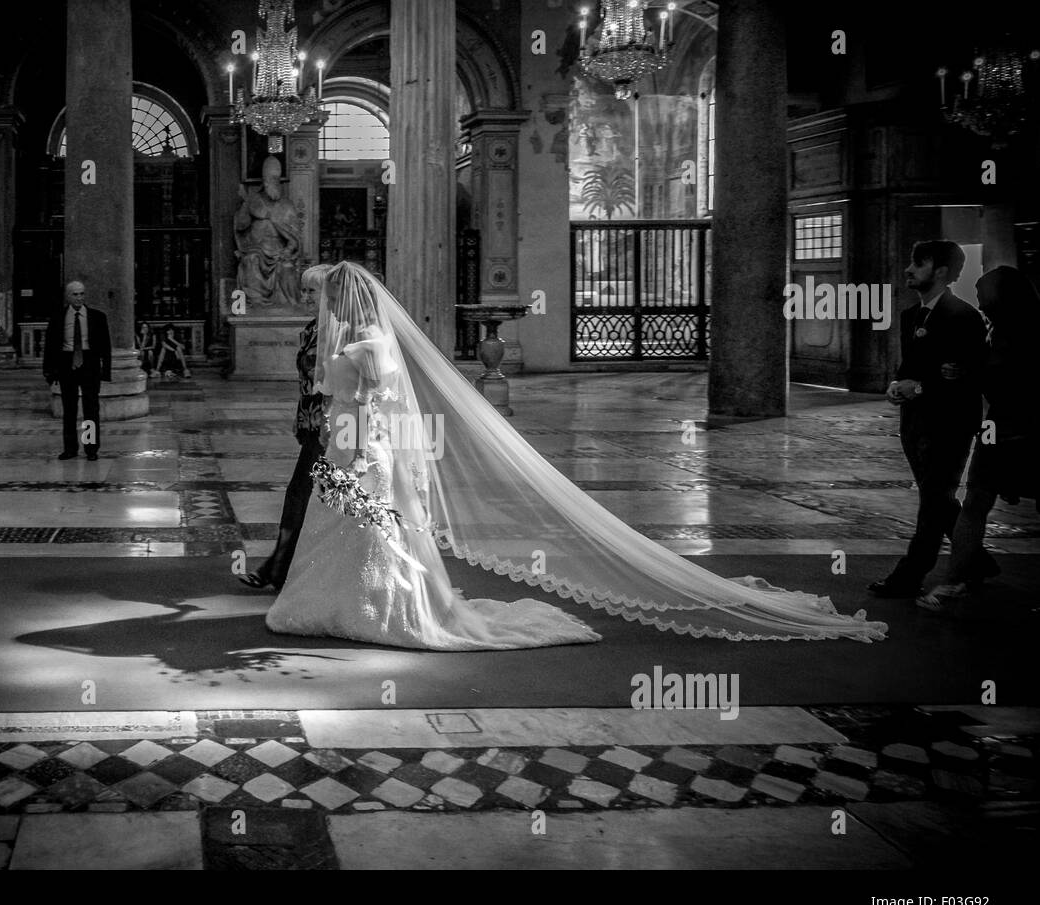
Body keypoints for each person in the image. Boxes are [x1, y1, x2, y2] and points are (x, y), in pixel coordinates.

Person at [264, 262, 886, 650]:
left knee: (369, 535)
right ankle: (354, 605)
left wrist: (349, 465)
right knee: (359, 534)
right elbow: (363, 411)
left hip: (361, 457)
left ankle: (379, 610)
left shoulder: (364, 348)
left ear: (341, 302)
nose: (318, 309)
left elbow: (369, 415)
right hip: (358, 455)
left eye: (324, 300)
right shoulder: (364, 342)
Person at [868, 240, 996, 599]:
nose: (909, 269)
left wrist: (920, 388)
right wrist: (897, 385)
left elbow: (972, 376)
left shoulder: (964, 317)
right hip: (914, 425)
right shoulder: (912, 315)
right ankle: (978, 559)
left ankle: (910, 575)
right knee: (937, 497)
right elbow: (909, 368)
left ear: (940, 271)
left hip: (949, 424)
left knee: (933, 500)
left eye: (917, 263)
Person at [918, 266, 1040, 612]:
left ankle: (956, 580)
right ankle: (955, 580)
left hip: (1030, 431)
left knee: (976, 504)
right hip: (999, 429)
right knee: (974, 503)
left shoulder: (1027, 333)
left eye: (985, 296)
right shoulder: (996, 331)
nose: (981, 303)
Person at [240, 263, 334, 590]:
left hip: (330, 426)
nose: (305, 296)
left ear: (329, 295)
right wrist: (301, 421)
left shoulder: (339, 333)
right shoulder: (312, 329)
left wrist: (328, 422)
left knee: (302, 495)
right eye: (305, 290)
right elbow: (305, 383)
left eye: (312, 291)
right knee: (306, 496)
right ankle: (283, 569)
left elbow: (340, 386)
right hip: (310, 423)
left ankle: (277, 570)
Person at [44, 280, 112, 461]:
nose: (79, 298)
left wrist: (106, 371)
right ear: (68, 296)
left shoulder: (97, 317)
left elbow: (106, 346)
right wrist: (49, 371)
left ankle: (91, 449)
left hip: (89, 364)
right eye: (75, 294)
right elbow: (50, 345)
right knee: (69, 409)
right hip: (67, 365)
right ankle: (70, 448)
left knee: (90, 409)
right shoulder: (58, 317)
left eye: (82, 294)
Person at [233, 155, 302, 307]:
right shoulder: (253, 201)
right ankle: (255, 304)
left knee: (287, 268)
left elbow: (294, 237)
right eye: (269, 180)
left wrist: (288, 251)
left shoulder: (287, 205)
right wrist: (247, 207)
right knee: (250, 261)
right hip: (257, 249)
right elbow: (241, 227)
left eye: (275, 180)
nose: (272, 184)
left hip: (279, 251)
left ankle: (289, 306)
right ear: (263, 182)